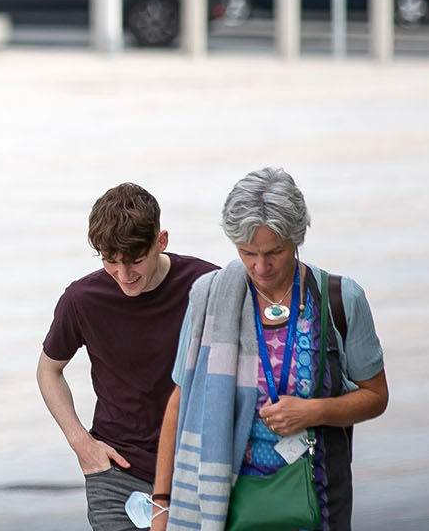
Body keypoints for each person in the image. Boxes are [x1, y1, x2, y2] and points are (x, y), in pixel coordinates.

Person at [151, 168, 389, 531]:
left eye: (274, 252)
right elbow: (180, 400)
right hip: (224, 505)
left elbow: (376, 396)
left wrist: (312, 411)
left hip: (319, 498)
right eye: (247, 253)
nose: (260, 267)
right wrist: (162, 506)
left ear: (297, 237)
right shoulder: (209, 297)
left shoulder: (340, 299)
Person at [35, 183, 218, 531]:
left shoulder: (207, 285)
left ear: (160, 241)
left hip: (198, 468)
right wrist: (81, 443)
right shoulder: (82, 299)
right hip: (116, 472)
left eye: (135, 261)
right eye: (110, 262)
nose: (123, 275)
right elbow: (49, 371)